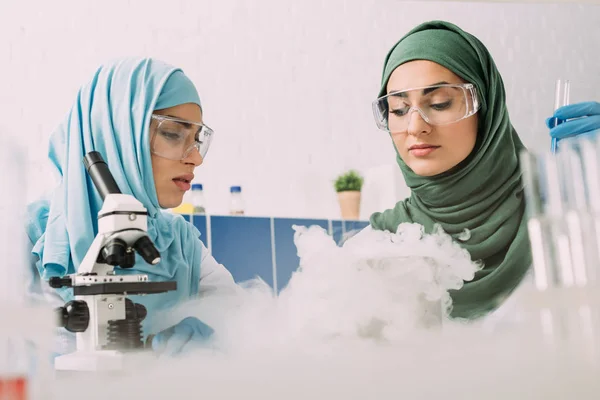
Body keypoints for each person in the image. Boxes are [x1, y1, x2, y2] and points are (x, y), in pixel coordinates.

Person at [368, 20, 600, 319]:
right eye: (398, 110)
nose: (415, 127)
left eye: (439, 103)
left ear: (486, 109)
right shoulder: (381, 245)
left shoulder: (562, 216)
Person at [24, 57, 238, 357]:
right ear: (117, 134)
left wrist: (219, 336)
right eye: (174, 134)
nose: (196, 159)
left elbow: (245, 321)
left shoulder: (181, 244)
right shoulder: (26, 239)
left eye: (197, 140)